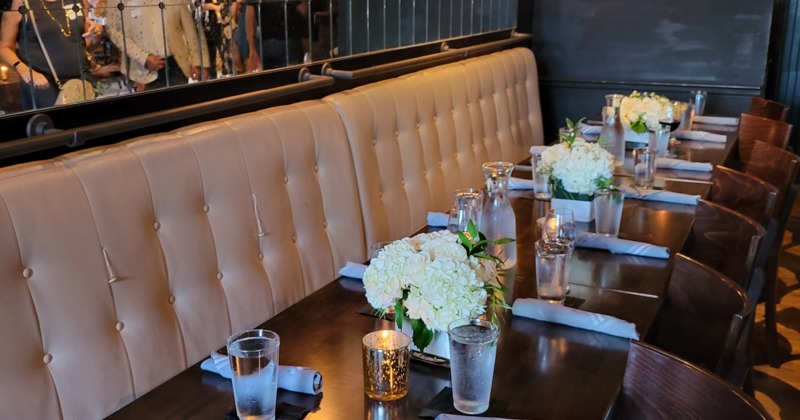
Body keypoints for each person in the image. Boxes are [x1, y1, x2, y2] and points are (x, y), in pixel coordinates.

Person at [0, 0, 103, 109]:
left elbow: (85, 45)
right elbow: (4, 47)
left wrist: (95, 37)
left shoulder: (80, 2)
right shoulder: (22, 3)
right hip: (44, 88)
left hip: (81, 84)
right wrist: (23, 69)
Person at [104, 0, 210, 91]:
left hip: (177, 63)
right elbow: (114, 30)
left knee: (181, 109)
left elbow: (189, 25)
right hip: (143, 69)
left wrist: (198, 61)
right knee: (153, 112)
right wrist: (142, 57)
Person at [245, 0, 307, 70]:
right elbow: (303, 9)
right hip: (288, 40)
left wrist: (251, 48)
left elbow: (250, 16)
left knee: (271, 78)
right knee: (292, 77)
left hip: (266, 44)